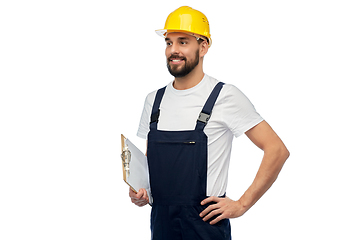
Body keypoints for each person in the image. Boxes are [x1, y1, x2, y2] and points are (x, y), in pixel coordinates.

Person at [129, 6, 290, 240]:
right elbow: (151, 161)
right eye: (168, 42)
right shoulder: (154, 101)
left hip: (205, 226)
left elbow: (277, 150)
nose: (173, 50)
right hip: (161, 225)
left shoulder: (224, 96)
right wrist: (142, 192)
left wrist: (243, 204)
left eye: (183, 42)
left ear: (203, 47)